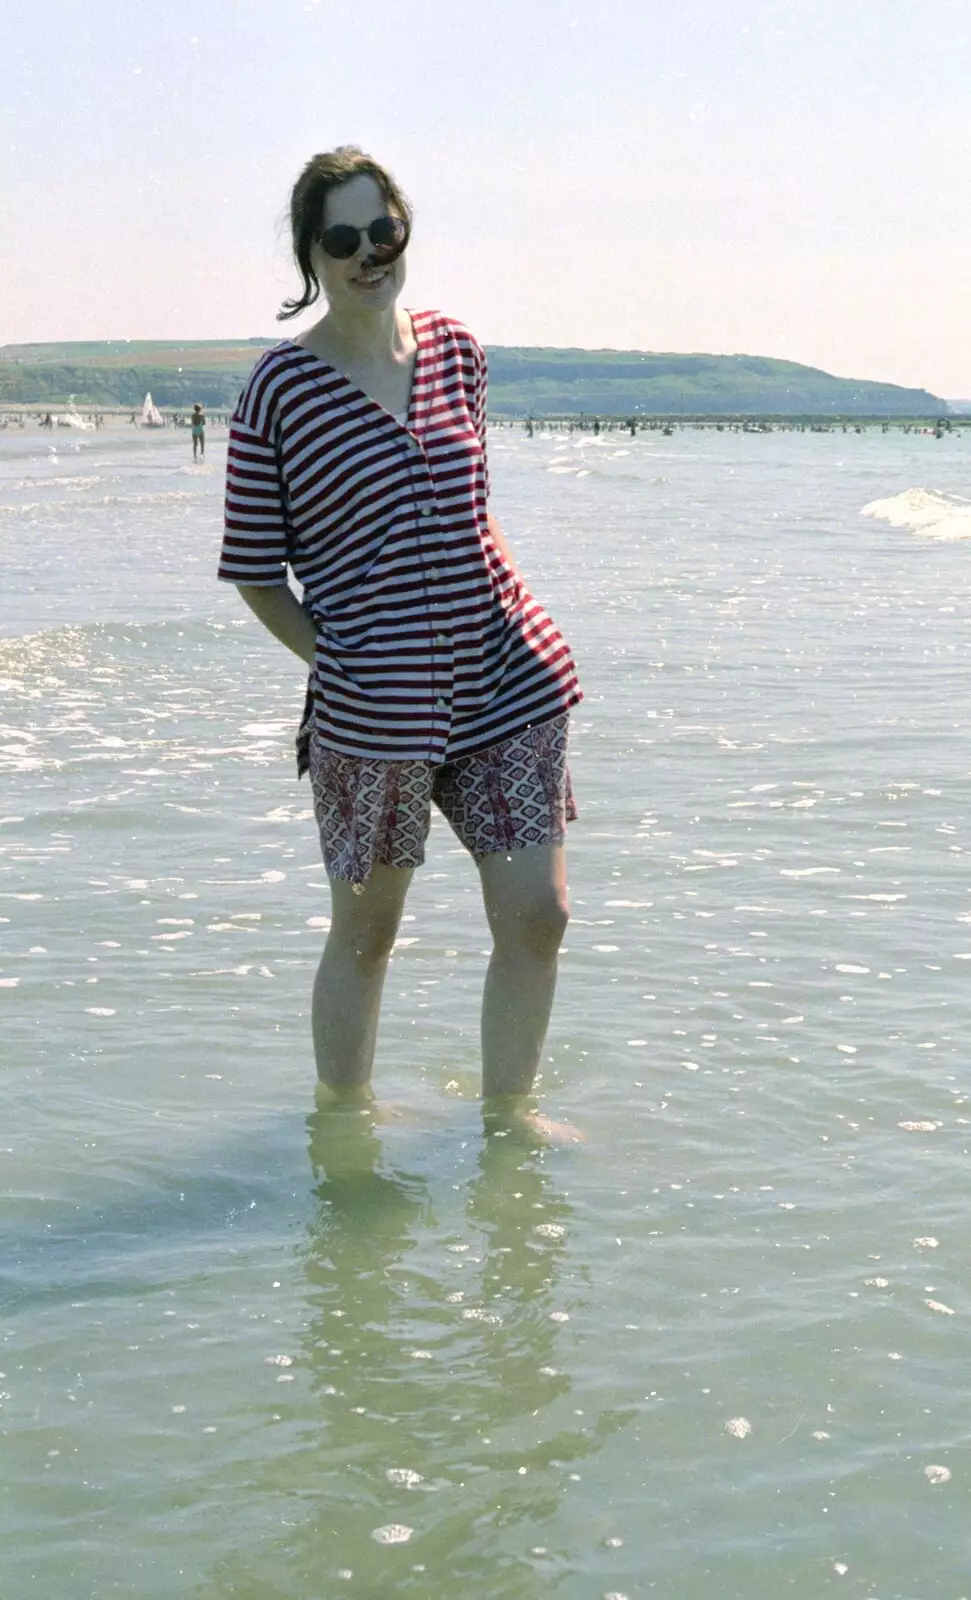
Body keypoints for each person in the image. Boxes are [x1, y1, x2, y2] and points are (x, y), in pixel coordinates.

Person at [218, 147, 583, 1140]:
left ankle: (511, 1118)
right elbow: (254, 570)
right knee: (368, 934)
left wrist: (520, 605)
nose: (369, 253)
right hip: (375, 708)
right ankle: (344, 1118)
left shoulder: (459, 350)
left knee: (537, 916)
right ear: (311, 259)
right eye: (344, 239)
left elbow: (468, 506)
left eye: (385, 230)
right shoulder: (279, 393)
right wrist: (334, 663)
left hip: (504, 679)